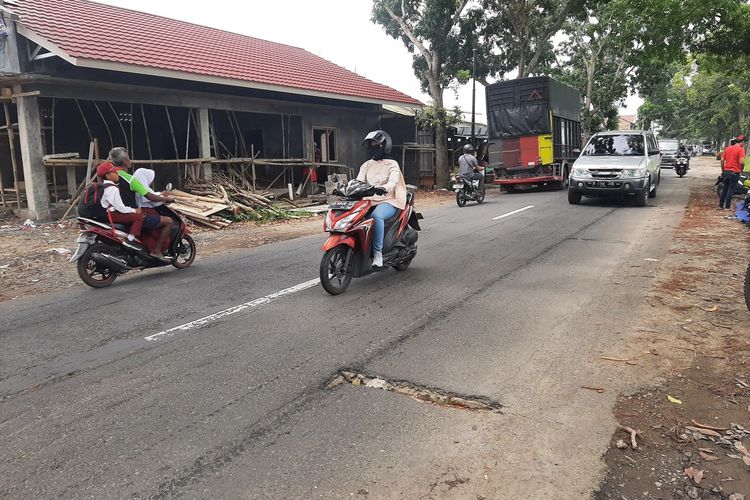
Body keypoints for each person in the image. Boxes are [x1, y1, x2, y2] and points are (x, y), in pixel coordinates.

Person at [356, 130, 407, 268]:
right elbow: (358, 182)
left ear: (385, 146)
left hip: (389, 200)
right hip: (369, 200)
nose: (373, 148)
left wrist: (385, 188)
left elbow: (393, 181)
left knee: (376, 215)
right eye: (371, 145)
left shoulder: (392, 164)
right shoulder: (366, 165)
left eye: (376, 145)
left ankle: (378, 253)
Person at [97, 162, 145, 245]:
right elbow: (120, 208)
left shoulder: (102, 186)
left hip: (102, 213)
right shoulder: (112, 188)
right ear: (108, 176)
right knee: (139, 217)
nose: (118, 174)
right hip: (110, 214)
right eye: (115, 172)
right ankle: (131, 240)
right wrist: (134, 210)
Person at [133, 168, 176, 258]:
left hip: (141, 213)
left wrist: (161, 194)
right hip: (147, 212)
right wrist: (167, 199)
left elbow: (153, 195)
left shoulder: (137, 186)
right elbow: (153, 198)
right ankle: (156, 250)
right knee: (169, 222)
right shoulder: (142, 189)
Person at [720, 135, 746, 210]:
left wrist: (723, 170)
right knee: (731, 189)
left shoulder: (727, 148)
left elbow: (722, 160)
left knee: (725, 188)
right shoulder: (740, 150)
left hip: (726, 171)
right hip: (735, 172)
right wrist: (742, 169)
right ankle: (727, 207)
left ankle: (721, 205)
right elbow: (741, 162)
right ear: (743, 142)